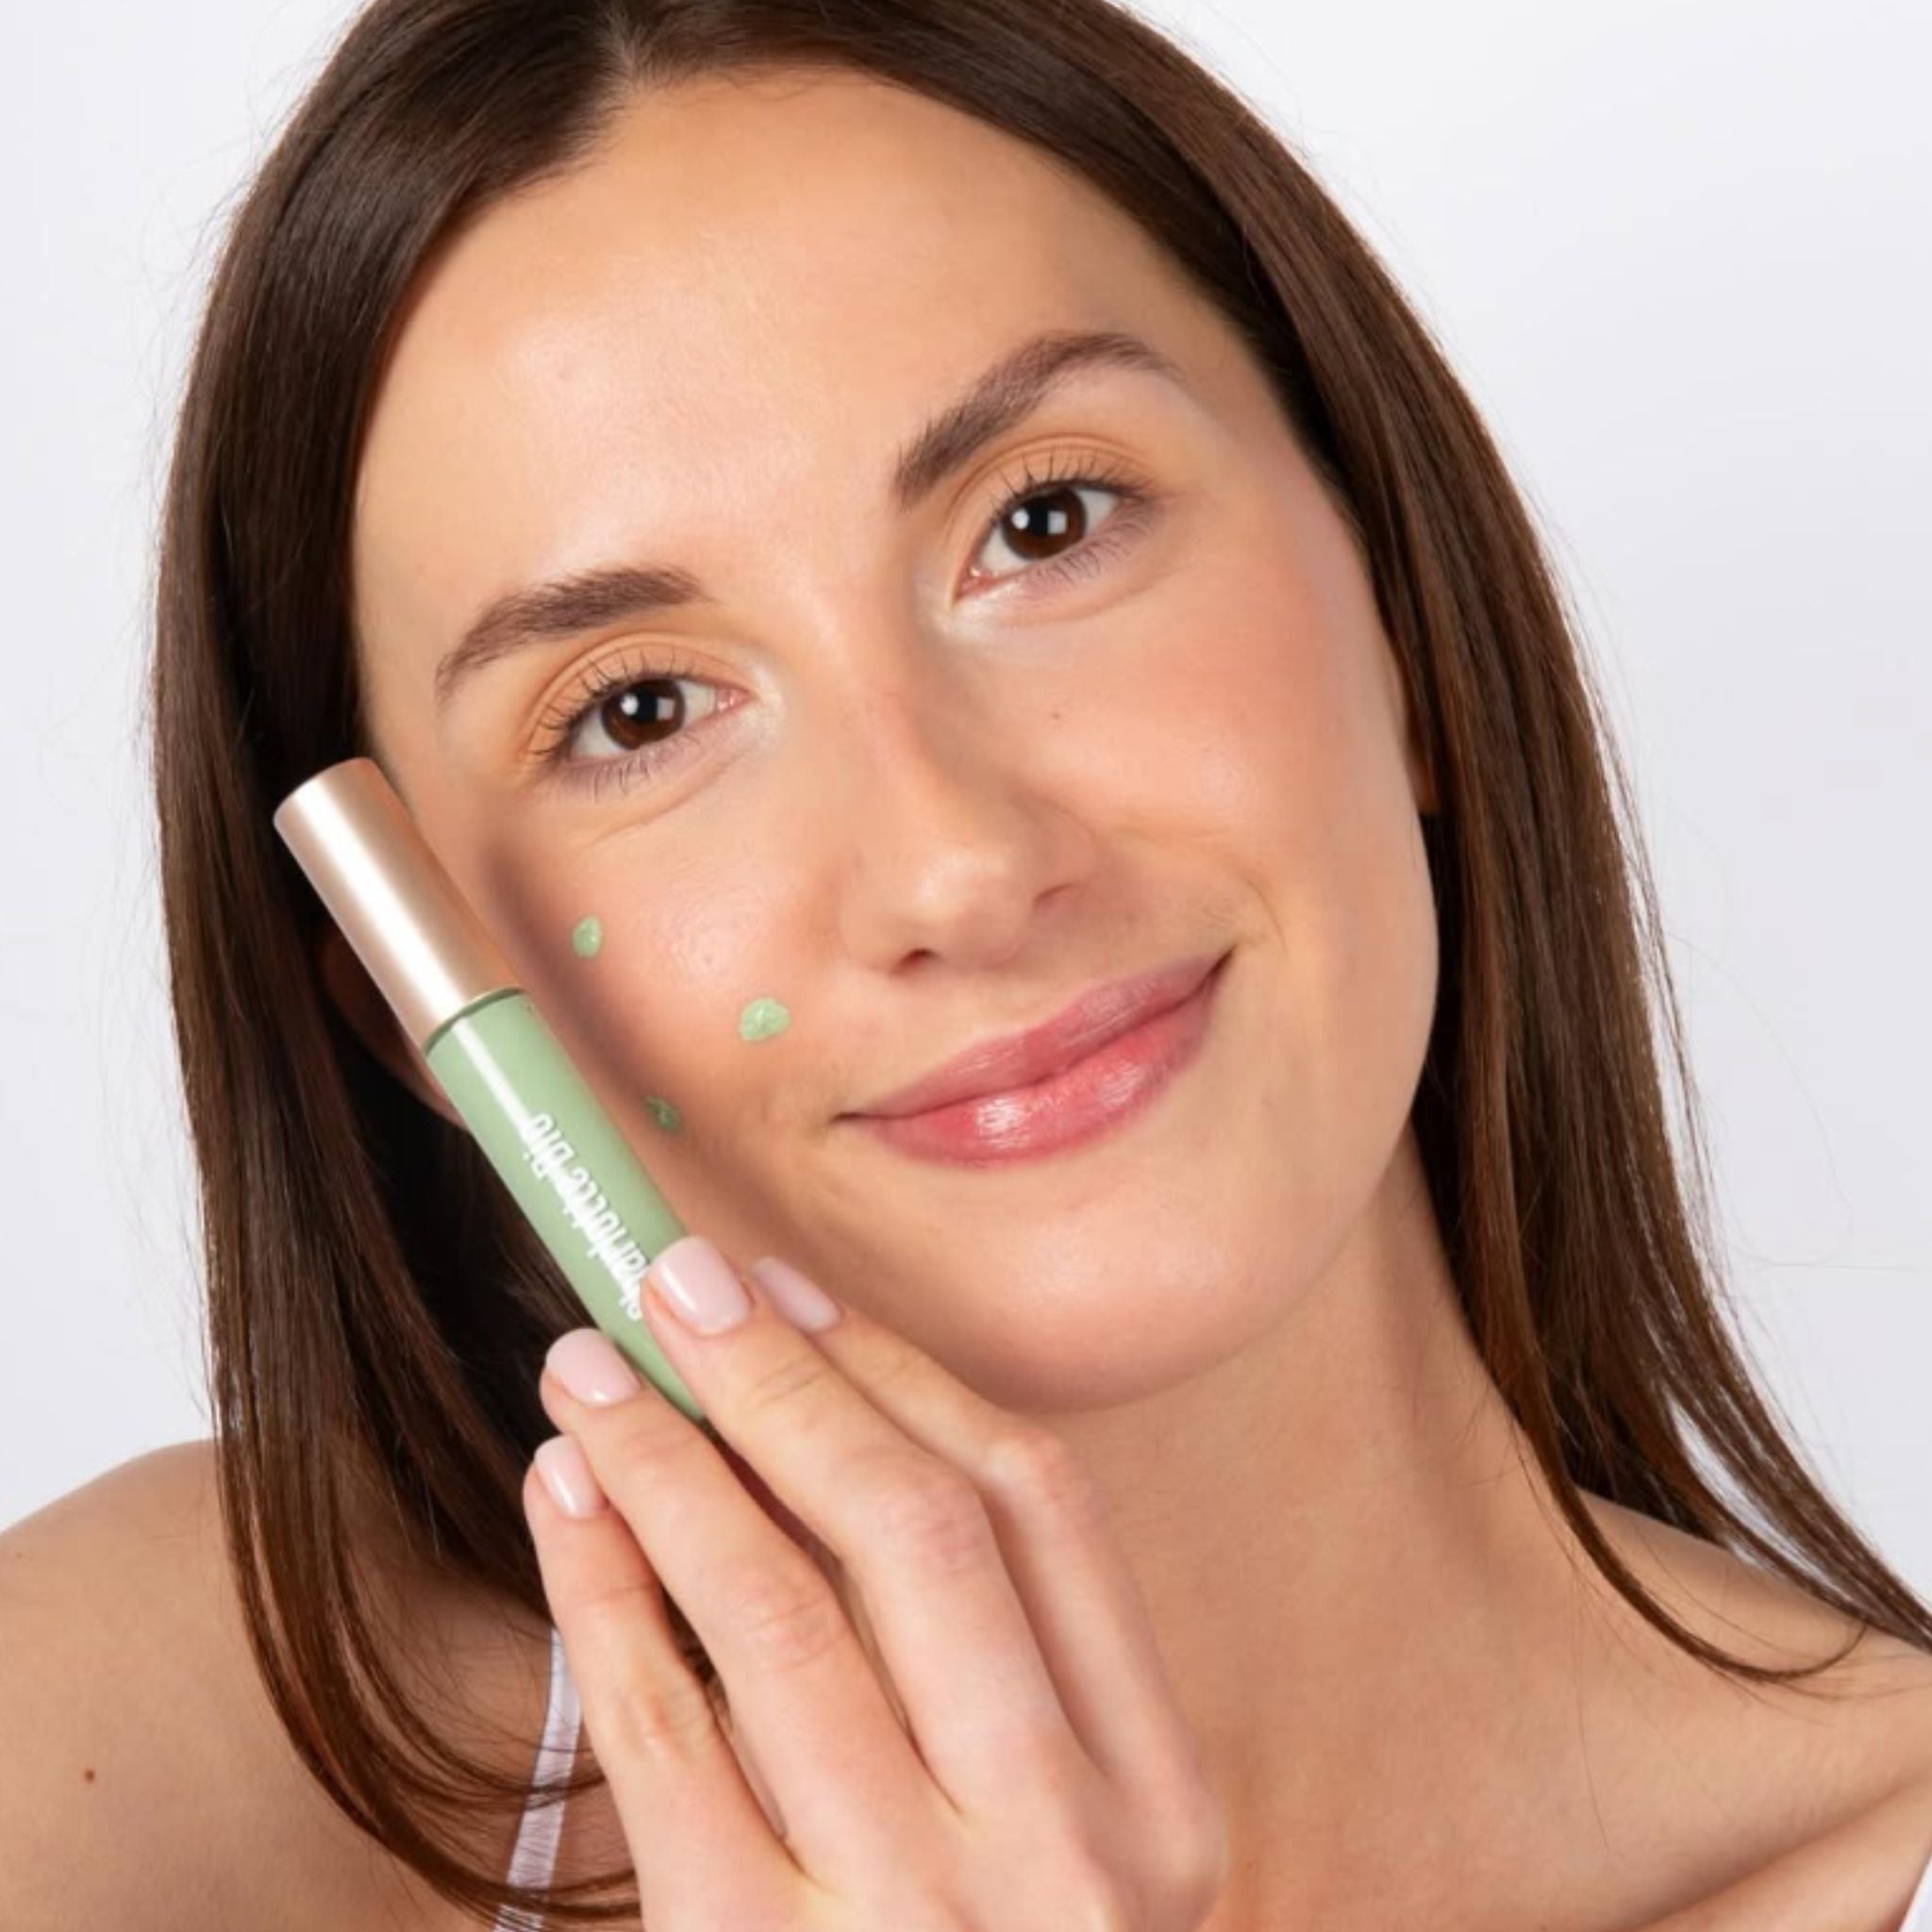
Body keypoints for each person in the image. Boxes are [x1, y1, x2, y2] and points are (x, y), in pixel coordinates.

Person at [4, 2, 1929, 1926]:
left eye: (1044, 523)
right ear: (416, 1012)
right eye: (641, 710)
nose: (961, 865)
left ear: (1404, 613)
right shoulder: (153, 1766)